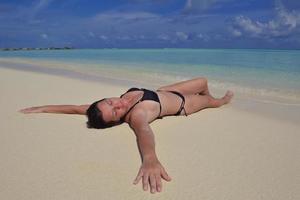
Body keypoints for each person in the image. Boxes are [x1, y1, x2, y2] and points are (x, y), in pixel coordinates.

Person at [20, 77, 233, 194]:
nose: (118, 104)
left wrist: (43, 107)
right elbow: (144, 132)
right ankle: (219, 100)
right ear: (118, 120)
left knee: (203, 82)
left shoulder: (111, 103)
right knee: (213, 102)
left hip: (164, 91)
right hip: (184, 105)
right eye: (116, 112)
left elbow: (77, 108)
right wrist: (150, 159)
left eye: (111, 102)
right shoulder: (138, 115)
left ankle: (209, 94)